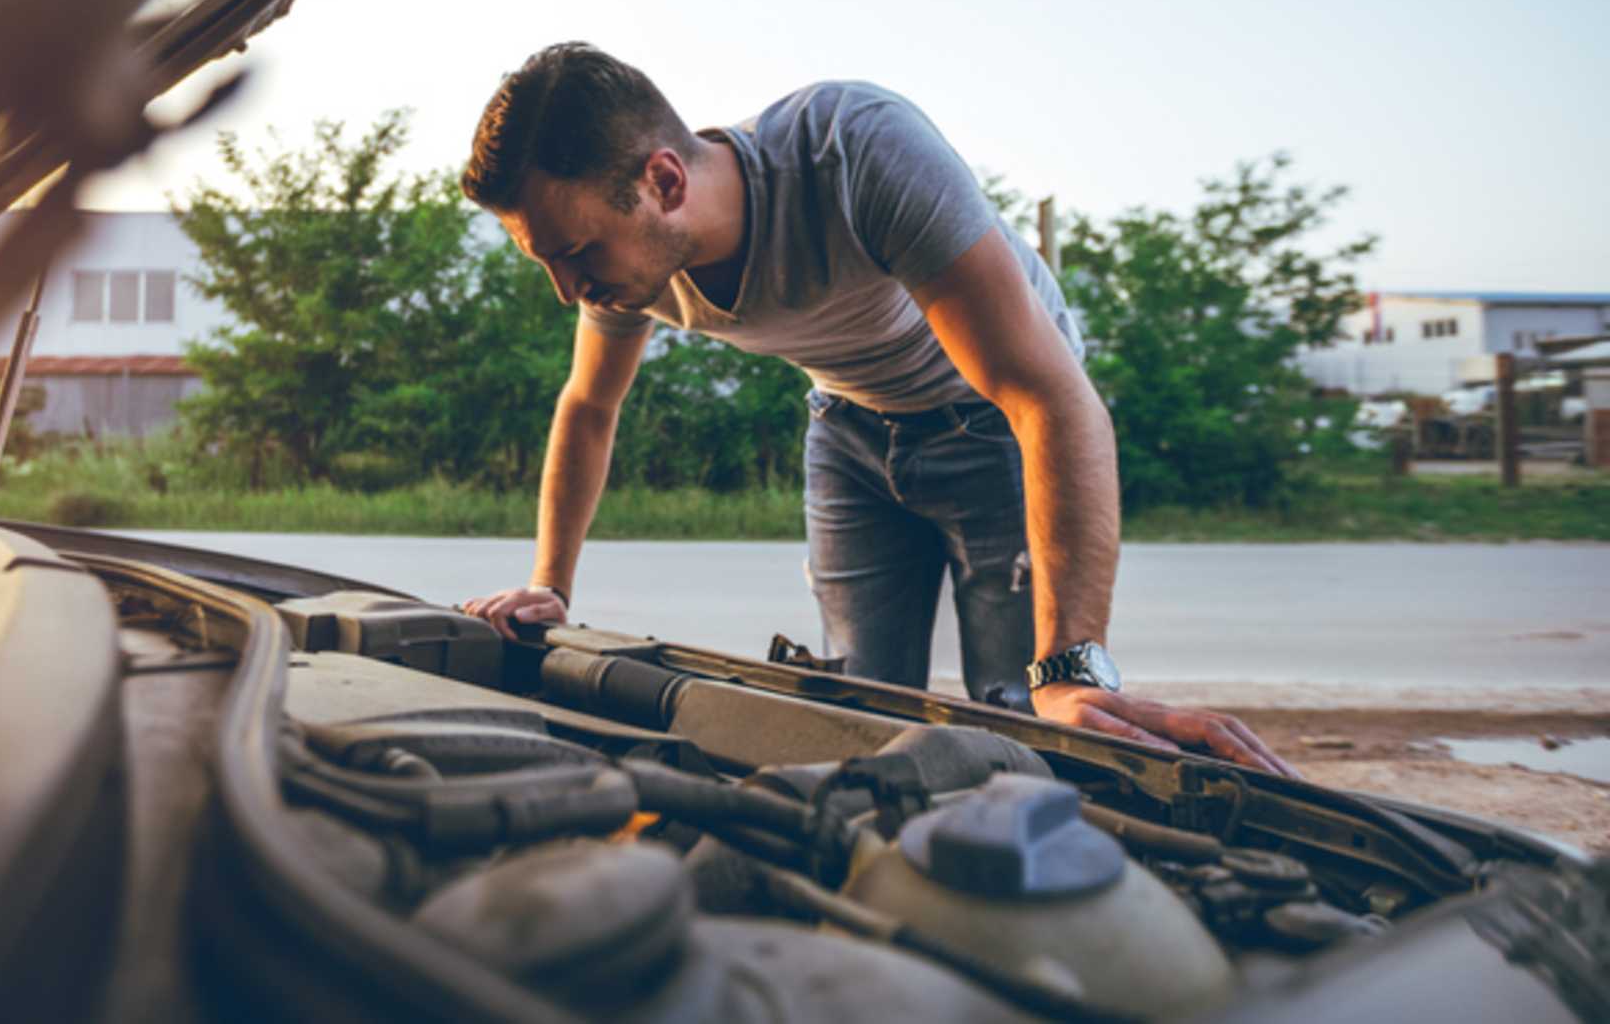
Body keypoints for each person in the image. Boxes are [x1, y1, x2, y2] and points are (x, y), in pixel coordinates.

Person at [460, 43, 1293, 775]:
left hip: (995, 425)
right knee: (860, 717)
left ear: (665, 181)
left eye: (573, 254)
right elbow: (589, 407)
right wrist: (549, 587)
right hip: (850, 434)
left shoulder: (856, 150)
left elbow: (1050, 398)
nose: (567, 289)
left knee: (1025, 717)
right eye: (547, 260)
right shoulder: (623, 263)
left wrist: (1073, 667)